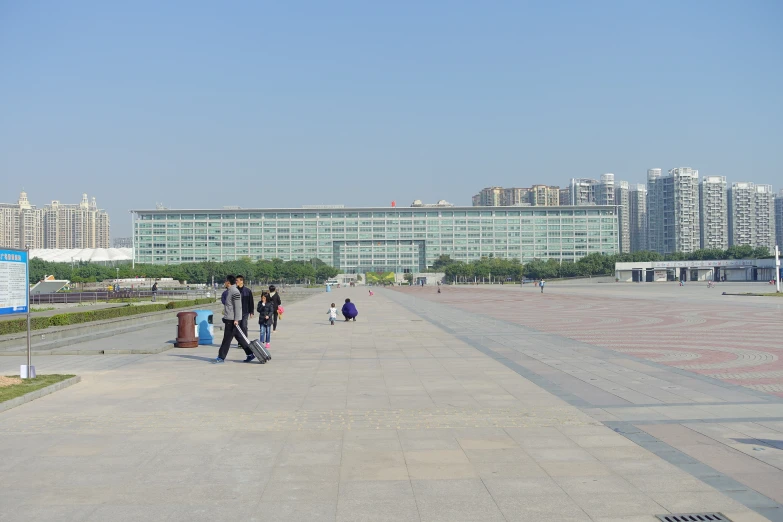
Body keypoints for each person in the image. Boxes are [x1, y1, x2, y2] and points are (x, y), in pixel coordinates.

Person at [214, 275, 255, 364]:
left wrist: (236, 319)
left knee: (227, 339)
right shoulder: (229, 291)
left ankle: (221, 357)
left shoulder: (234, 292)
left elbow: (238, 307)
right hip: (230, 318)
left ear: (228, 282)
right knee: (239, 337)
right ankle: (250, 353)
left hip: (232, 320)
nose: (224, 283)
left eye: (225, 281)